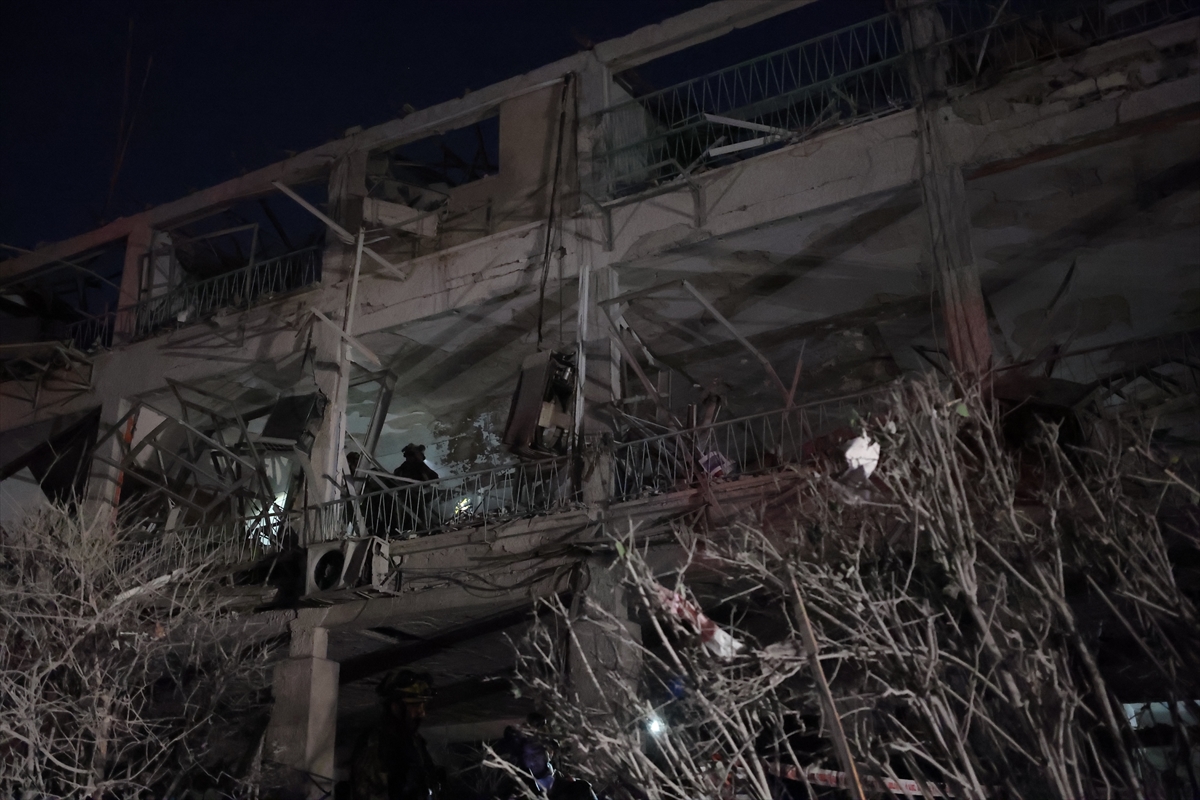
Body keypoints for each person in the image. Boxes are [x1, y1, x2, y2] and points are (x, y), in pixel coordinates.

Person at [351, 670, 442, 800]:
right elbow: (366, 792)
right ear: (396, 706)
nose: (422, 713)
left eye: (423, 705)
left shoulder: (415, 741)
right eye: (416, 705)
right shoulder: (375, 744)